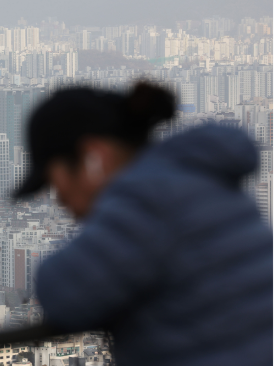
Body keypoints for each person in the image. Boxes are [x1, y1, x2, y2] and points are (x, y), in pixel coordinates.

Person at [14, 83, 271, 366]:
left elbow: (64, 292)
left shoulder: (147, 199)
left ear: (93, 157)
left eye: (55, 183)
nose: (60, 201)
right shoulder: (198, 177)